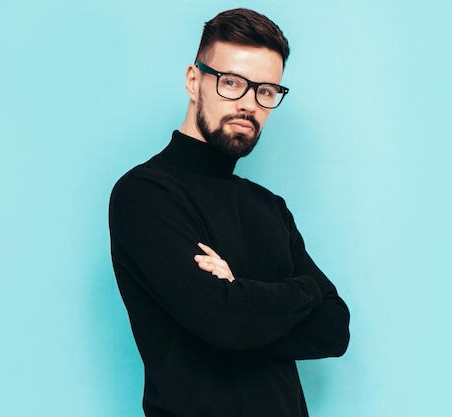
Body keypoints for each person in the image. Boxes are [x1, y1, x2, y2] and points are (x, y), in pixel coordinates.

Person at [109, 8, 350, 417]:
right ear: (193, 80)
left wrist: (239, 292)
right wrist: (305, 293)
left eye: (267, 90)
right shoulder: (146, 194)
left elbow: (334, 328)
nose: (249, 104)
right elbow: (225, 324)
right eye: (232, 83)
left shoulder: (270, 207)